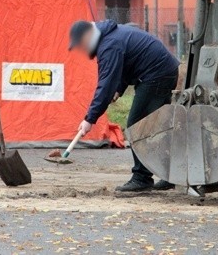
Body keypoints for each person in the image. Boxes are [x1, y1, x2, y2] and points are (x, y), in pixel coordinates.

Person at [69, 20, 180, 192]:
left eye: (81, 45)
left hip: (157, 74)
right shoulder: (110, 38)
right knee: (157, 127)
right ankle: (170, 175)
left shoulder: (109, 45)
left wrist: (89, 119)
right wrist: (119, 89)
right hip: (162, 70)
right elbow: (126, 65)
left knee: (137, 126)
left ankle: (142, 178)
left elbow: (105, 85)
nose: (82, 50)